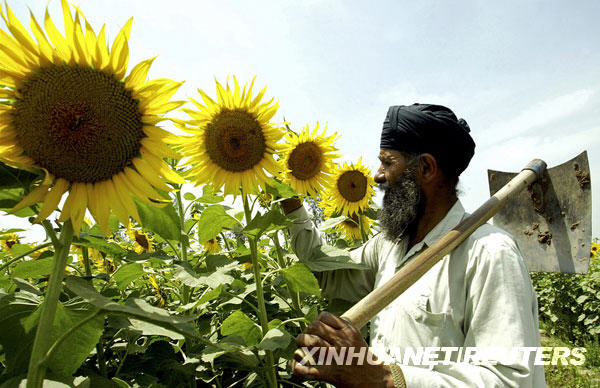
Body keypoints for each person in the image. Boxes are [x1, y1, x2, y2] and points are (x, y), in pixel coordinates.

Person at [282, 104, 545, 387]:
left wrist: (381, 378)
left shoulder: (489, 254)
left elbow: (510, 380)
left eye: (388, 162)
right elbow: (322, 269)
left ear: (426, 168)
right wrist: (288, 197)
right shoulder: (388, 246)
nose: (378, 175)